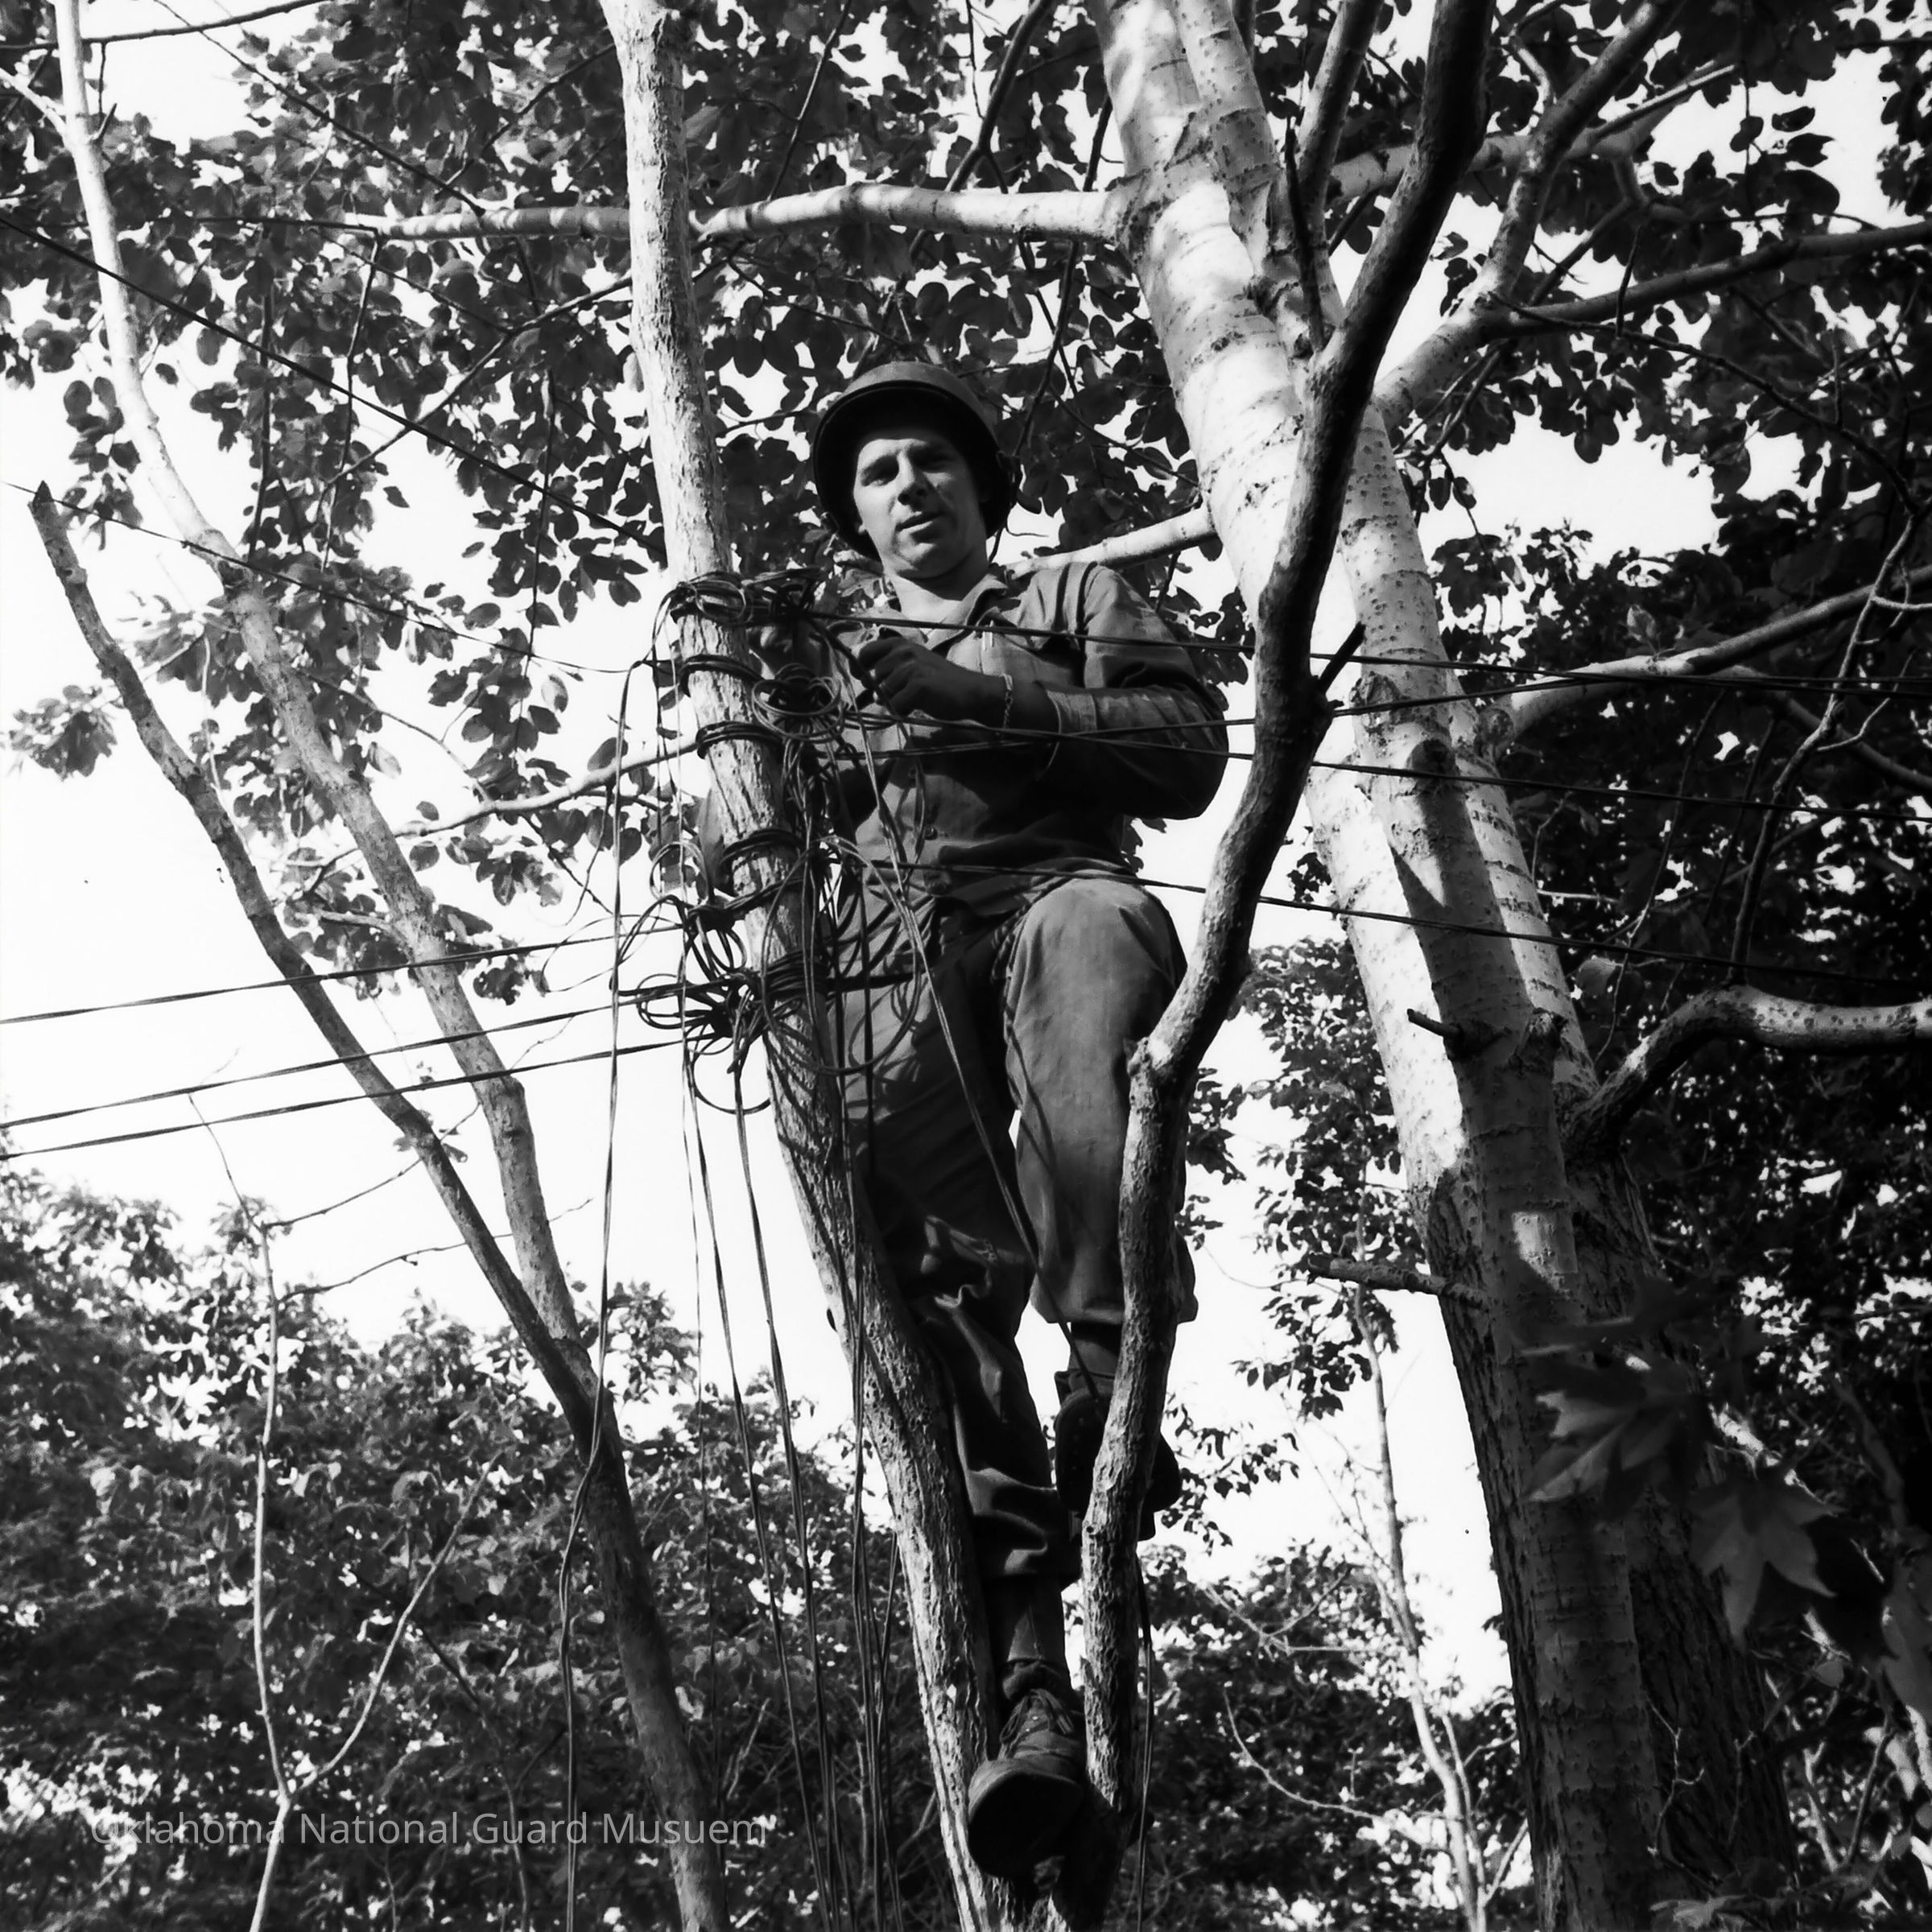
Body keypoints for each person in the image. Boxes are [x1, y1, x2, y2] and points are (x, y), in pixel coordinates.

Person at [743, 361, 1228, 1880]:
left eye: (933, 461)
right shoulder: (821, 660)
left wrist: (980, 697)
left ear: (983, 488)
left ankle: (1108, 1387)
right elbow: (766, 832)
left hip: (1052, 894)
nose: (910, 487)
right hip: (894, 952)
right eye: (878, 473)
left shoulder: (1069, 593)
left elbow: (1186, 752)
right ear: (855, 517)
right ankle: (1027, 1684)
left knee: (1092, 970)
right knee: (939, 1285)